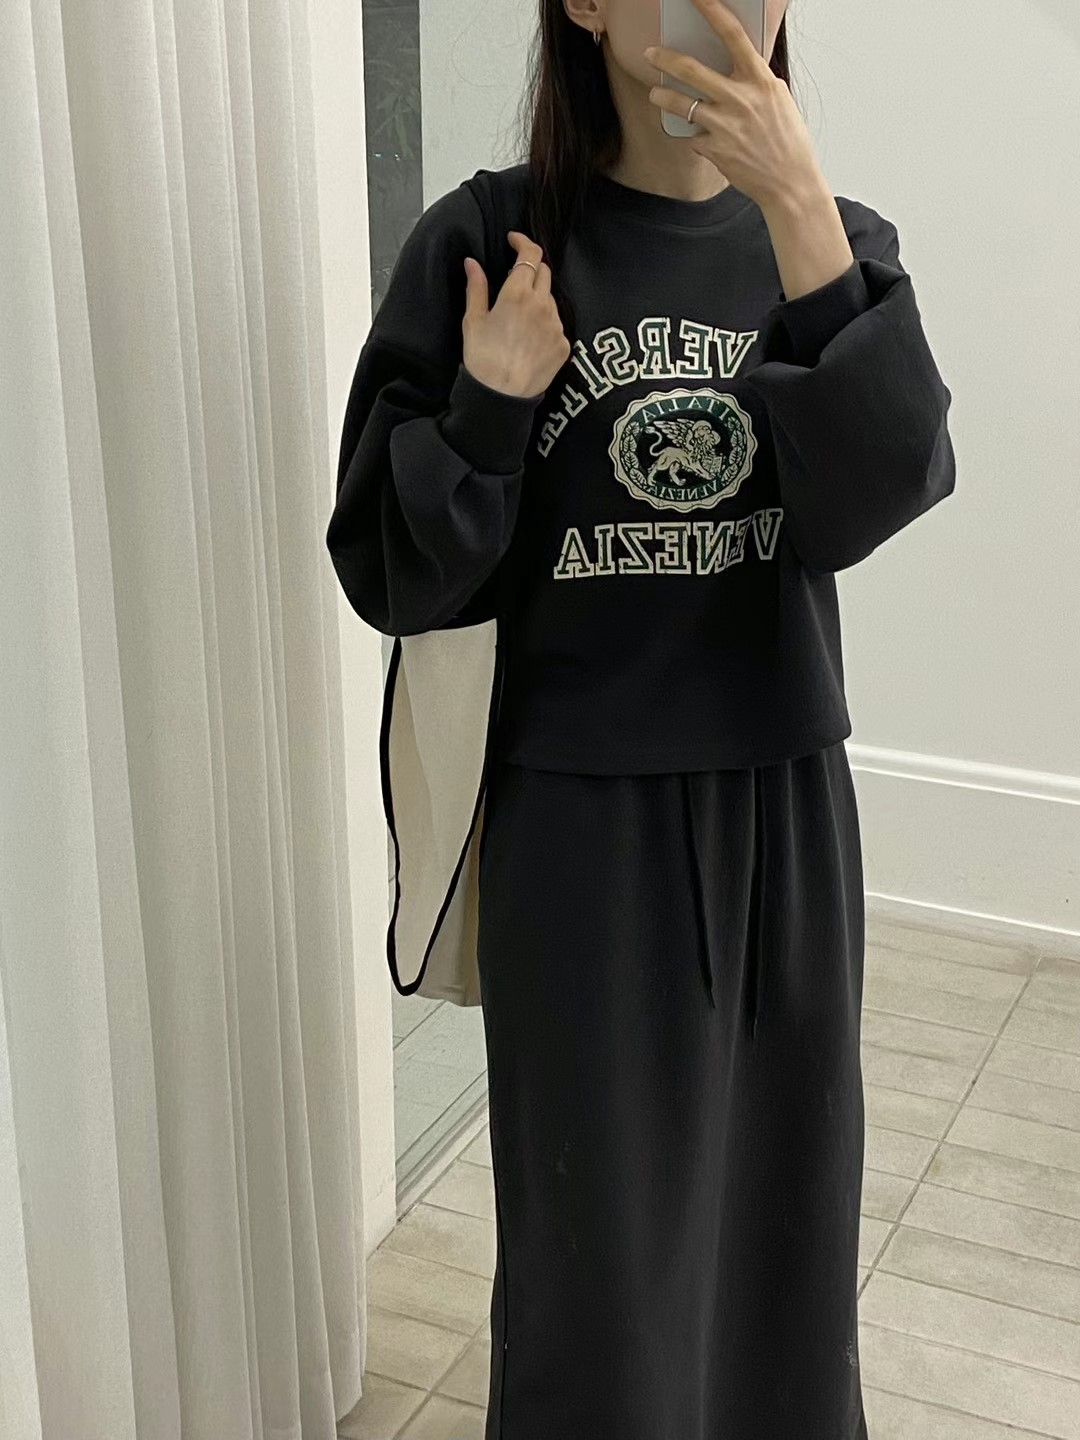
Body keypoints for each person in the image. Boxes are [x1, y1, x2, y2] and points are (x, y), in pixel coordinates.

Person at [326, 0, 957, 1435]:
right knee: (598, 1265)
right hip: (580, 821)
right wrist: (489, 406)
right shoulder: (491, 240)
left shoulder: (831, 240)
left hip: (785, 807)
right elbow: (387, 568)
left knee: (788, 1238)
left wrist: (802, 218)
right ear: (588, 5)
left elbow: (881, 496)